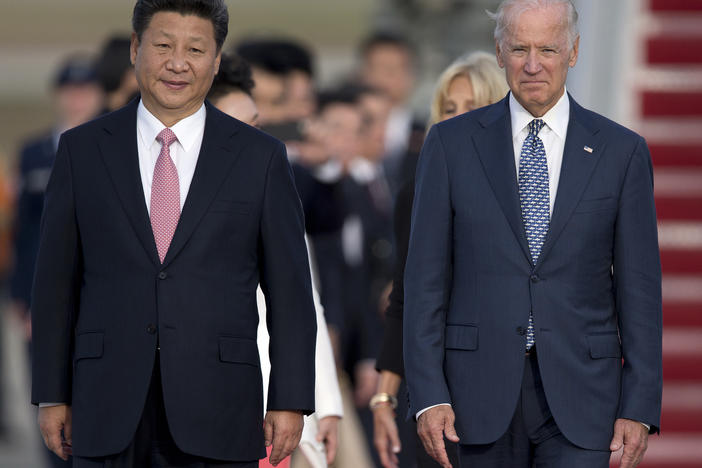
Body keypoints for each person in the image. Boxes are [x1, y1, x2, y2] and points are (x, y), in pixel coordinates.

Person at [30, 1, 317, 467]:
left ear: (217, 60)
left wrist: (290, 398)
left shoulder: (259, 157)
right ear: (135, 47)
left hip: (220, 404)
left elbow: (290, 292)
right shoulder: (81, 151)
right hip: (105, 403)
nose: (178, 62)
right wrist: (50, 392)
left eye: (196, 49)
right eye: (163, 45)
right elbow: (55, 284)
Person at [404, 1, 662, 467]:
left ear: (575, 51)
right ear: (499, 53)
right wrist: (427, 394)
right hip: (472, 398)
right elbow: (424, 283)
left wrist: (640, 407)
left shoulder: (621, 152)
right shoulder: (450, 145)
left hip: (586, 398)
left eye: (548, 48)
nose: (532, 64)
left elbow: (639, 290)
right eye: (519, 48)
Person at [371, 51, 509, 468]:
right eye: (448, 109)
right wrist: (384, 395)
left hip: (517, 382)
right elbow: (405, 296)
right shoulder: (417, 192)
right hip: (439, 387)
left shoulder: (533, 189)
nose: (457, 118)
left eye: (472, 106)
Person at [208, 54, 343, 468]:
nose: (254, 142)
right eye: (236, 130)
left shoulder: (274, 198)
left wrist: (326, 403)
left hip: (271, 411)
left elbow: (305, 307)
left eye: (257, 127)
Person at [9, 54, 103, 468]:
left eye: (86, 90)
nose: (78, 99)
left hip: (97, 293)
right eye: (71, 90)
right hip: (41, 294)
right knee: (49, 390)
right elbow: (24, 232)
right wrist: (22, 297)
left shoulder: (114, 147)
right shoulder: (33, 153)